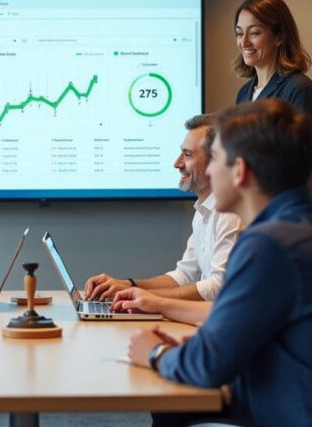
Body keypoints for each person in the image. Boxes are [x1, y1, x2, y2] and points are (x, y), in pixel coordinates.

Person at [127, 99, 312, 427]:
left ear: (240, 171)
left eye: (215, 158)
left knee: (176, 413)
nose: (210, 172)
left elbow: (208, 366)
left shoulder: (271, 243)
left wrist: (154, 353)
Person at [84, 115, 241, 305]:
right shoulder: (203, 209)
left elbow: (219, 287)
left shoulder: (231, 212)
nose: (177, 163)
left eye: (188, 155)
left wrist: (145, 297)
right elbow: (185, 275)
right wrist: (128, 286)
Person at [233, 0, 312, 128]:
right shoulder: (243, 93)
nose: (244, 42)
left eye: (254, 33)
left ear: (279, 37)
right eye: (240, 33)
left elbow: (303, 148)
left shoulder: (299, 89)